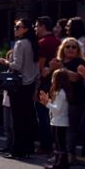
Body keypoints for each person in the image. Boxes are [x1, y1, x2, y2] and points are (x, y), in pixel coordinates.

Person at [0, 19, 40, 159]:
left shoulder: (20, 43)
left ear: (25, 29)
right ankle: (27, 147)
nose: (15, 29)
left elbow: (17, 65)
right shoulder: (33, 44)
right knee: (26, 117)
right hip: (30, 83)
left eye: (18, 27)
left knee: (17, 119)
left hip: (20, 84)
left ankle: (18, 149)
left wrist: (5, 62)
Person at [48, 38, 85, 164]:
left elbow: (76, 78)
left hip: (74, 101)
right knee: (56, 128)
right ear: (62, 49)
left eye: (73, 47)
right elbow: (46, 75)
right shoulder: (58, 61)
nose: (70, 49)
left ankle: (70, 154)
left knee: (70, 129)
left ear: (78, 50)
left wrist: (61, 68)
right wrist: (49, 68)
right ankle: (59, 154)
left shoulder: (80, 62)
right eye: (67, 46)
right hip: (58, 99)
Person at [35, 16, 60, 154]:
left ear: (43, 26)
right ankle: (53, 145)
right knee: (53, 115)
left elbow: (39, 67)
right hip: (57, 82)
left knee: (43, 115)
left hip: (44, 83)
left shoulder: (42, 43)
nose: (35, 28)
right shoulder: (58, 41)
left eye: (37, 26)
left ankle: (45, 145)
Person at [38, 69, 71, 169]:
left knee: (60, 143)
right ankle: (59, 162)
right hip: (56, 121)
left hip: (60, 121)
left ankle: (61, 164)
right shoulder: (58, 92)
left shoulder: (61, 93)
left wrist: (46, 103)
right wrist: (48, 101)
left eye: (53, 77)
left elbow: (57, 109)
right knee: (58, 143)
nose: (52, 79)